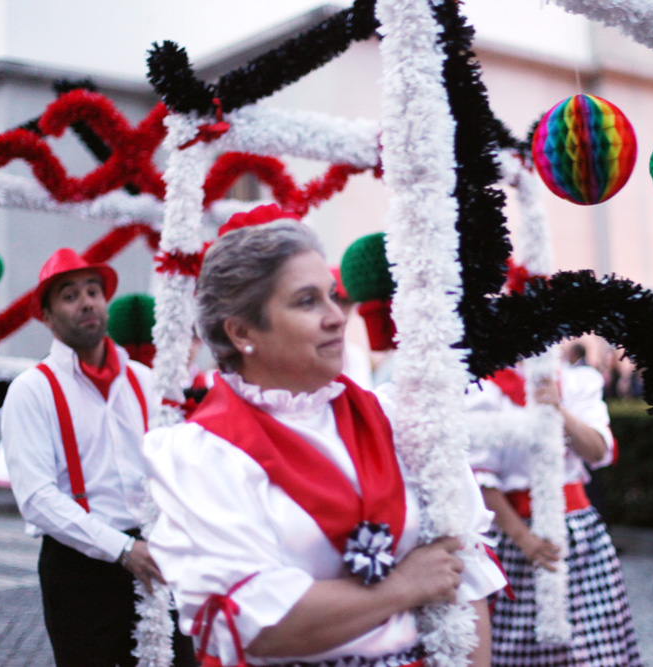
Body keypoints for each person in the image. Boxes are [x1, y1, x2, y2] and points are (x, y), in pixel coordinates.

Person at [144, 219, 506, 667]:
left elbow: (464, 572)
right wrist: (404, 587)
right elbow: (259, 624)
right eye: (306, 301)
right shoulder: (200, 453)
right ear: (241, 333)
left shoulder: (399, 417)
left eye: (331, 295)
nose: (337, 316)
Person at [0, 249, 194, 667]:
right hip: (79, 569)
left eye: (93, 291)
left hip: (156, 554)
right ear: (47, 317)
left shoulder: (145, 380)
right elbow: (35, 497)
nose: (86, 301)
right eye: (69, 295)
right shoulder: (32, 390)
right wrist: (122, 549)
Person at [467, 362, 642, 666]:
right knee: (519, 646)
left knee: (595, 645)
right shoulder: (489, 387)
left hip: (580, 533)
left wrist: (558, 410)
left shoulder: (577, 382)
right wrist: (524, 539)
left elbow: (598, 451)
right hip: (516, 533)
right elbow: (480, 479)